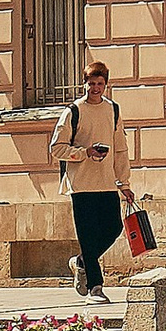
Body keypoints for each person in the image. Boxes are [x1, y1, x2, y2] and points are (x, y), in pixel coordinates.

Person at [50, 65, 131, 299]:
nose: (95, 88)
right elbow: (57, 148)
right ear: (84, 83)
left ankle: (81, 261)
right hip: (81, 185)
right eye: (91, 83)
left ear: (105, 85)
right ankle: (96, 287)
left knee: (114, 228)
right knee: (87, 235)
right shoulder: (73, 111)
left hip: (106, 183)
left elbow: (120, 149)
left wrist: (124, 183)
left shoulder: (113, 110)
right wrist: (85, 152)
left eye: (100, 84)